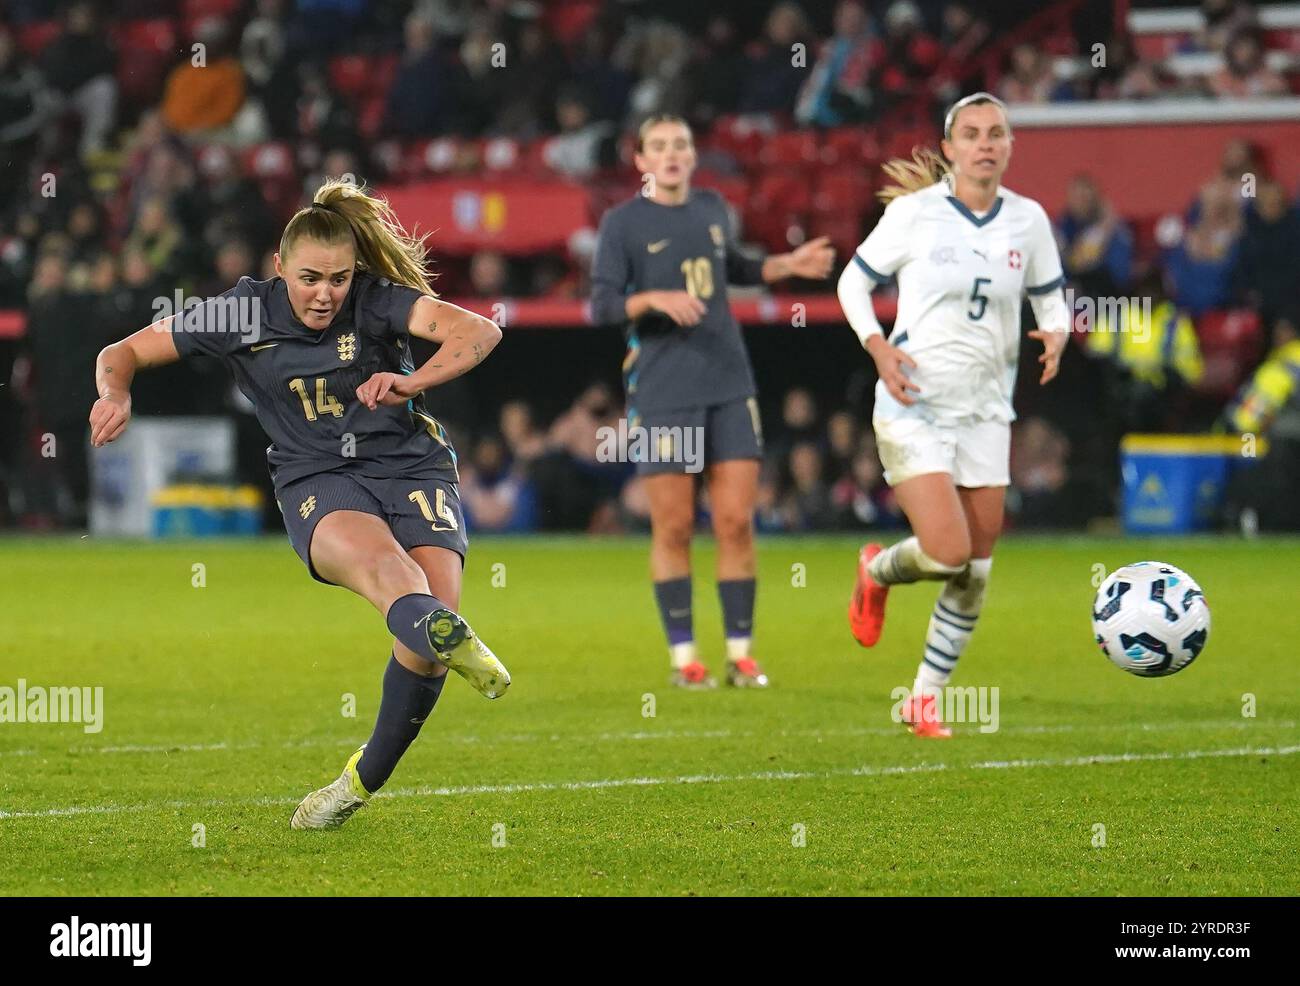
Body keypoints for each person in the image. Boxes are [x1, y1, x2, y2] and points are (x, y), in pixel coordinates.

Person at [87, 180, 509, 829]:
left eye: (339, 278)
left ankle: (358, 783)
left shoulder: (375, 300)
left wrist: (411, 380)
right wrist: (116, 395)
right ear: (278, 267)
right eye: (310, 277)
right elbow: (122, 352)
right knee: (392, 579)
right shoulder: (239, 315)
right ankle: (444, 631)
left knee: (428, 630)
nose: (325, 293)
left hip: (410, 464)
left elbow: (477, 331)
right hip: (317, 477)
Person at [837, 92, 1070, 737]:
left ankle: (922, 698)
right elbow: (852, 283)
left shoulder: (1029, 221)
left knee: (977, 565)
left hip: (987, 411)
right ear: (950, 148)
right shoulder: (915, 215)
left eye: (996, 133)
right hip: (915, 404)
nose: (985, 143)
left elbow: (1051, 297)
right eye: (971, 133)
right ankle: (876, 570)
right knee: (946, 551)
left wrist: (1057, 334)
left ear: (1009, 145)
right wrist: (877, 346)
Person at [591, 113, 834, 688]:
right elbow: (601, 305)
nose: (672, 155)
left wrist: (786, 266)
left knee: (735, 521)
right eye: (659, 146)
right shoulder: (622, 224)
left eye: (681, 144)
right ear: (641, 160)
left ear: (694, 155)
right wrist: (654, 298)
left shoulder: (713, 210)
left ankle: (742, 655)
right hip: (663, 390)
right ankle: (684, 659)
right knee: (673, 527)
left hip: (729, 382)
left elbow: (737, 267)